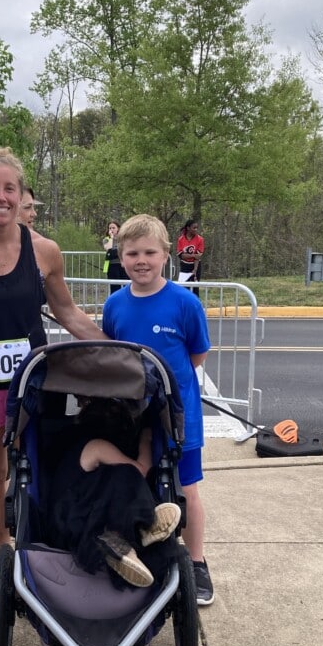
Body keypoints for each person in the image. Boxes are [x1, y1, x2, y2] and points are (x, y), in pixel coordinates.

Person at [0, 146, 105, 593]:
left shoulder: (45, 251)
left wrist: (115, 351)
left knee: (43, 466)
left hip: (36, 382)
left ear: (21, 196)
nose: (0, 196)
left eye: (8, 188)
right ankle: (4, 550)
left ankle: (46, 547)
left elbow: (68, 313)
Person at [102, 214, 214, 605]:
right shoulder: (115, 304)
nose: (141, 260)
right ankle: (137, 551)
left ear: (166, 255)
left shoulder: (185, 303)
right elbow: (112, 353)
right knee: (137, 481)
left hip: (178, 415)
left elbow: (196, 354)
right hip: (131, 416)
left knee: (188, 489)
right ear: (122, 256)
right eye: (132, 253)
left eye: (150, 252)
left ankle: (197, 562)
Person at [48, 397, 182, 588]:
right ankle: (141, 527)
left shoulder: (70, 446)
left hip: (66, 521)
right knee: (125, 474)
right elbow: (141, 470)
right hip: (80, 525)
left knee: (111, 479)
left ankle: (130, 543)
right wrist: (146, 439)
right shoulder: (97, 445)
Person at [176, 218, 205, 297]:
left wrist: (195, 269)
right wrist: (193, 255)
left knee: (195, 288)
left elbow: (198, 256)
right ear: (188, 228)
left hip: (196, 266)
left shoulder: (200, 239)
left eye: (197, 228)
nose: (196, 230)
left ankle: (195, 307)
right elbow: (181, 256)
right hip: (184, 266)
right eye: (194, 228)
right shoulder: (181, 239)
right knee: (183, 288)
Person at [102, 220, 130, 293]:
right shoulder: (106, 239)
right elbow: (108, 248)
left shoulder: (123, 239)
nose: (111, 230)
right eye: (110, 228)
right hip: (112, 266)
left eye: (113, 228)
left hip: (123, 265)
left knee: (126, 286)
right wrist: (111, 238)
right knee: (114, 287)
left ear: (118, 229)